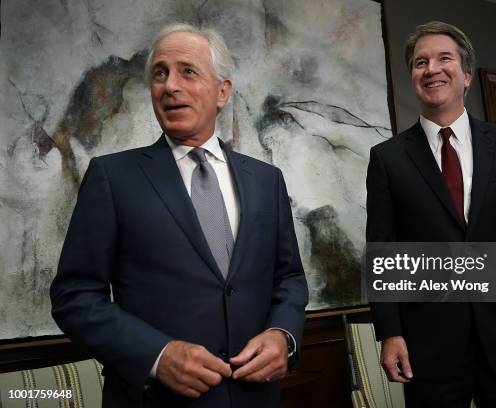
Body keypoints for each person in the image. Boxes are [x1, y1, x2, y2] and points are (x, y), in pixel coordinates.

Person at [50, 23, 308, 408]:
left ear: (223, 91)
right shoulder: (112, 177)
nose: (170, 86)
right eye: (159, 73)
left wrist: (283, 334)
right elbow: (74, 296)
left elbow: (288, 277)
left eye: (187, 71)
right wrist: (156, 355)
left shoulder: (266, 180)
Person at [366, 21, 496, 408]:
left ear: (465, 74)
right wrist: (389, 333)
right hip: (429, 345)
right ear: (413, 77)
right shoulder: (387, 159)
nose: (431, 69)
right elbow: (383, 252)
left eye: (444, 59)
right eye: (419, 62)